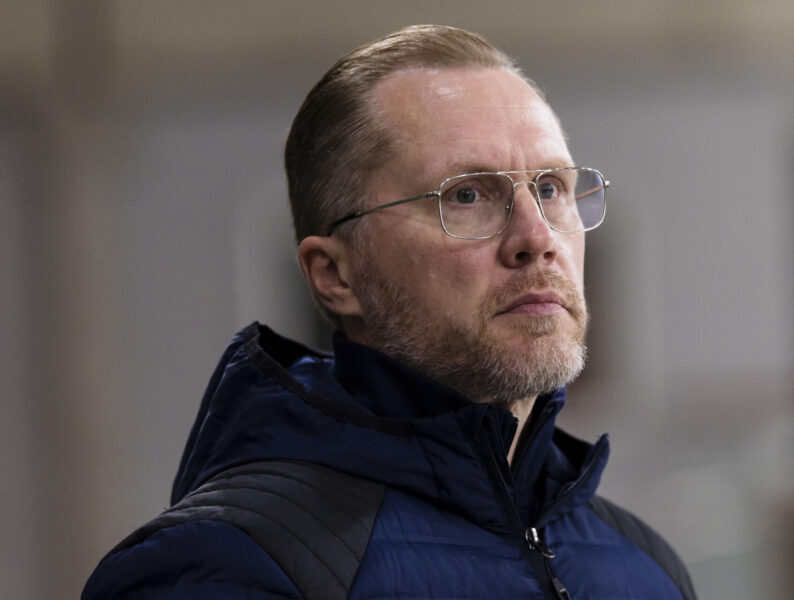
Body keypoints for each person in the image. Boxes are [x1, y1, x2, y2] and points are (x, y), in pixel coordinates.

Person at [82, 25, 695, 600]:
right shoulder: (227, 566)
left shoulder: (645, 569)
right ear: (336, 275)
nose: (537, 237)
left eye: (551, 188)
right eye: (466, 195)